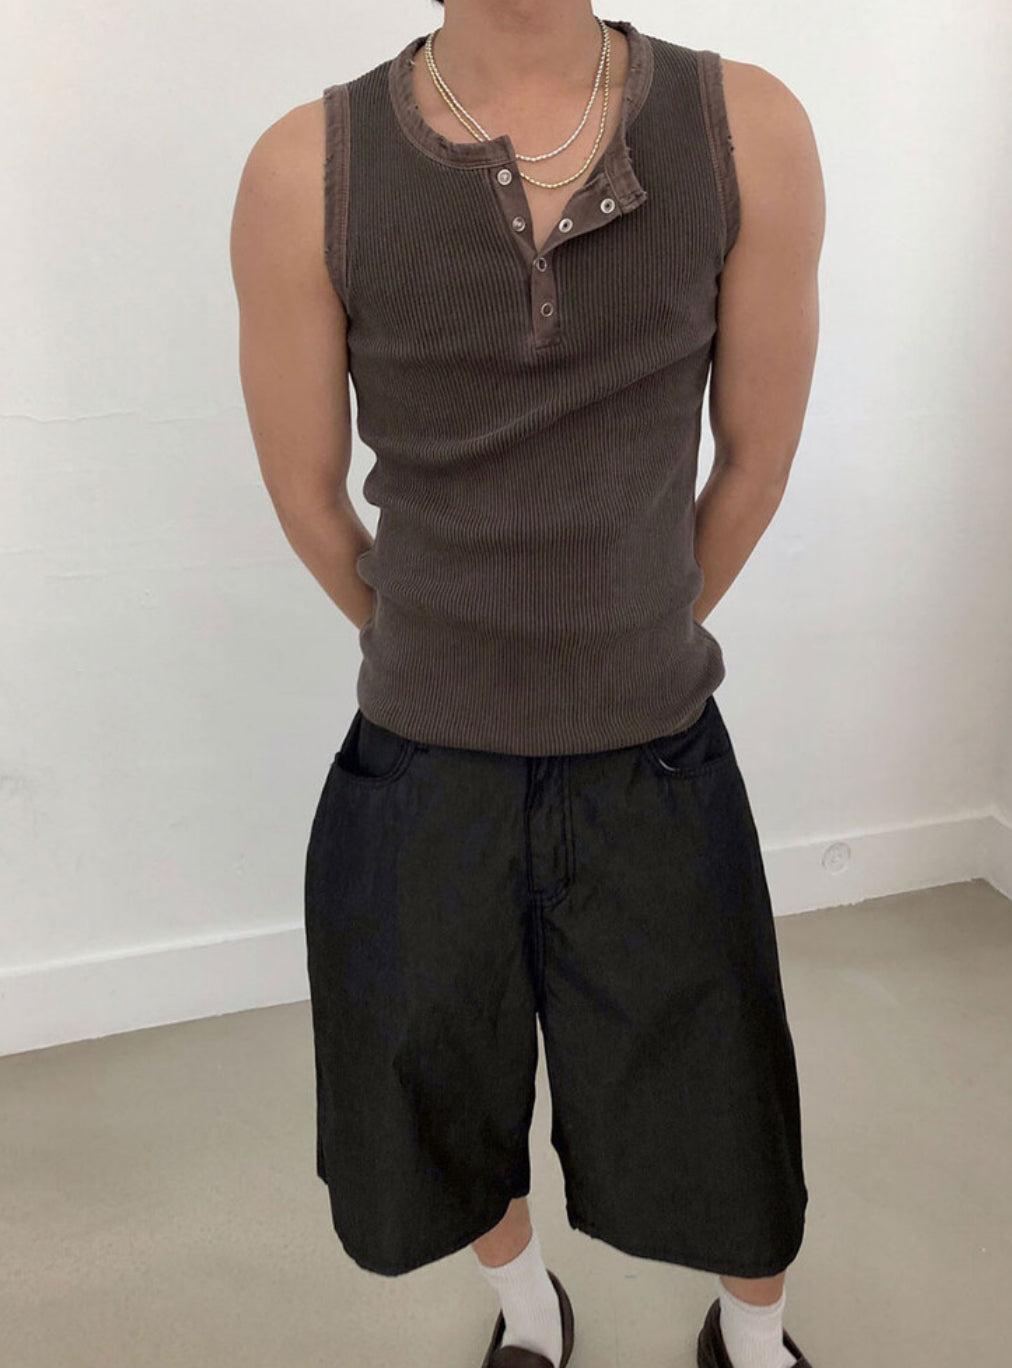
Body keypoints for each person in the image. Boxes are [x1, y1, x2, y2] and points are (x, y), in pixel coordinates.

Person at [230, 2, 825, 1365]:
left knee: (722, 1088)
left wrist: (630, 633)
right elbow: (308, 496)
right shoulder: (304, 169)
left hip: (654, 745)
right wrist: (443, 646)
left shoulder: (747, 128)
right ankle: (528, 1312)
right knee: (441, 1095)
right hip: (421, 759)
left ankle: (755, 1335)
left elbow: (754, 460)